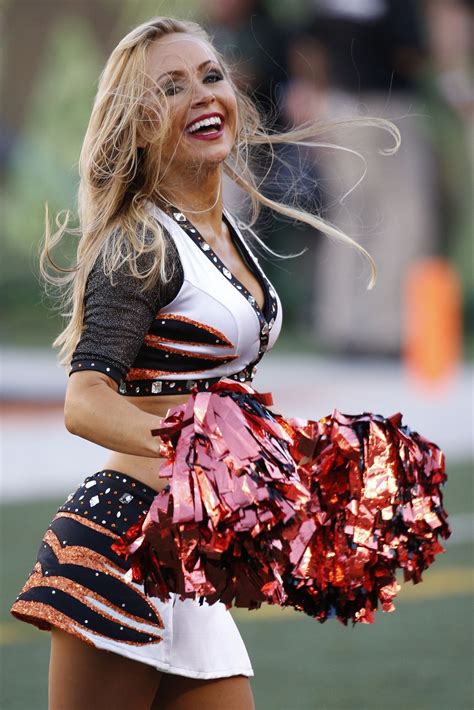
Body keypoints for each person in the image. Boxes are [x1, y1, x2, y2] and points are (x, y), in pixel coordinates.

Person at [10, 16, 403, 710]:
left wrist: (302, 467)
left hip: (187, 550)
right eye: (170, 87)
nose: (202, 95)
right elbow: (87, 399)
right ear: (135, 126)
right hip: (124, 545)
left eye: (211, 76)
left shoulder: (227, 236)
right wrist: (200, 451)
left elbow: (223, 405)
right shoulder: (139, 243)